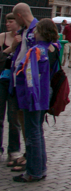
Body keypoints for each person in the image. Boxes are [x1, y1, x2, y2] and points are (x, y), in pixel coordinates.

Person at [12, 17, 60, 182]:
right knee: (38, 132)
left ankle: (33, 171)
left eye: (37, 31)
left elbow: (30, 77)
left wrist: (30, 97)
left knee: (32, 134)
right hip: (46, 93)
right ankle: (41, 167)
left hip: (34, 95)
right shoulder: (54, 48)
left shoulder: (36, 51)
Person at [0, 13, 22, 168]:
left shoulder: (23, 38)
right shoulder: (2, 37)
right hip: (2, 80)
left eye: (11, 21)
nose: (8, 24)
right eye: (7, 21)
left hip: (15, 83)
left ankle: (13, 150)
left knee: (14, 119)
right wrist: (11, 47)